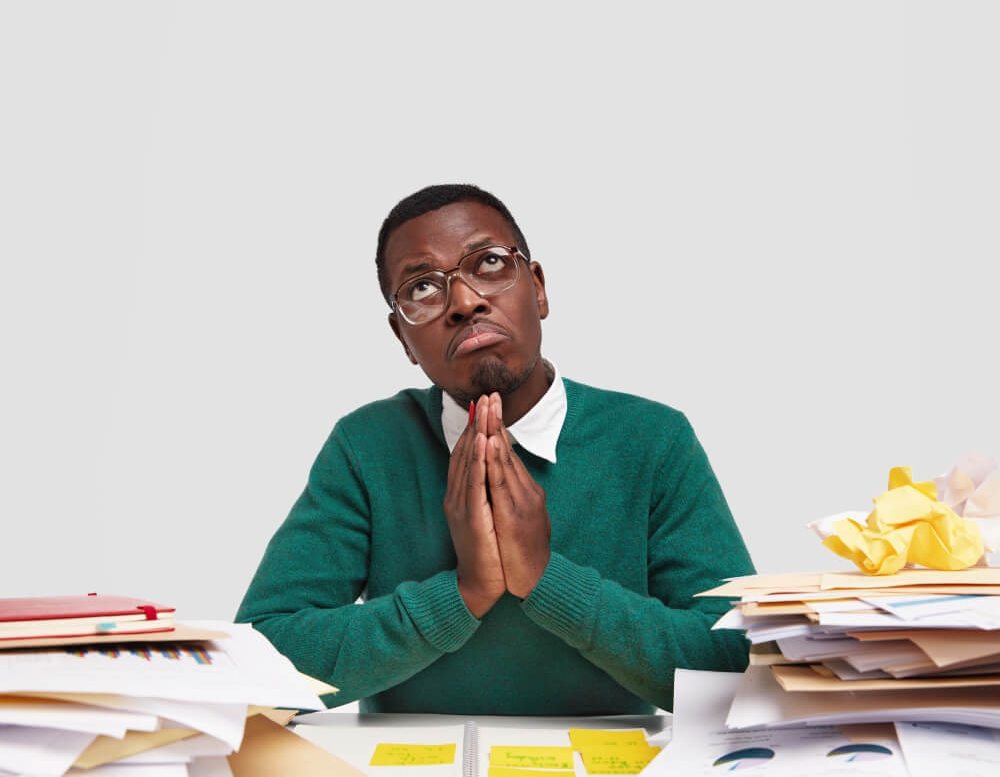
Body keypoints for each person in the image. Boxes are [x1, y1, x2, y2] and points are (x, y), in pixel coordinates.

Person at [236, 184, 754, 714]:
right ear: (403, 339)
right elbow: (255, 662)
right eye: (422, 289)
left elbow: (735, 664)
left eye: (488, 263)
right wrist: (462, 594)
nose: (464, 302)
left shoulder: (653, 439)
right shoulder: (366, 446)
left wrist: (548, 579)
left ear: (538, 289)